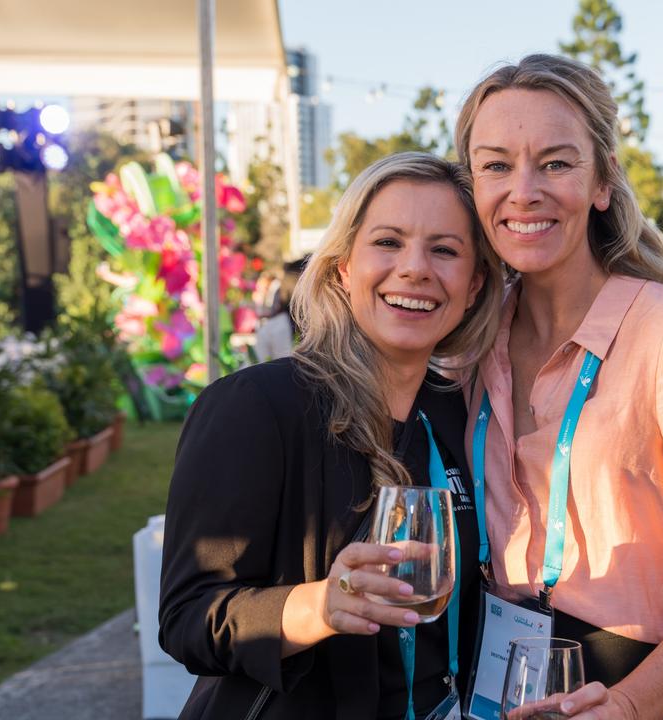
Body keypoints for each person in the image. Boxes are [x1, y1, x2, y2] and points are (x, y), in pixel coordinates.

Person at [456, 54, 663, 718]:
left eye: (555, 163)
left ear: (603, 183)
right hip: (512, 666)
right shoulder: (473, 339)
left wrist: (632, 705)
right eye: (496, 165)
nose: (522, 191)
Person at [158, 153, 503, 719]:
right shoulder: (257, 407)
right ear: (343, 267)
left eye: (444, 250)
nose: (415, 268)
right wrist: (320, 605)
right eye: (388, 242)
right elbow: (189, 619)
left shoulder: (459, 415)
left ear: (474, 285)